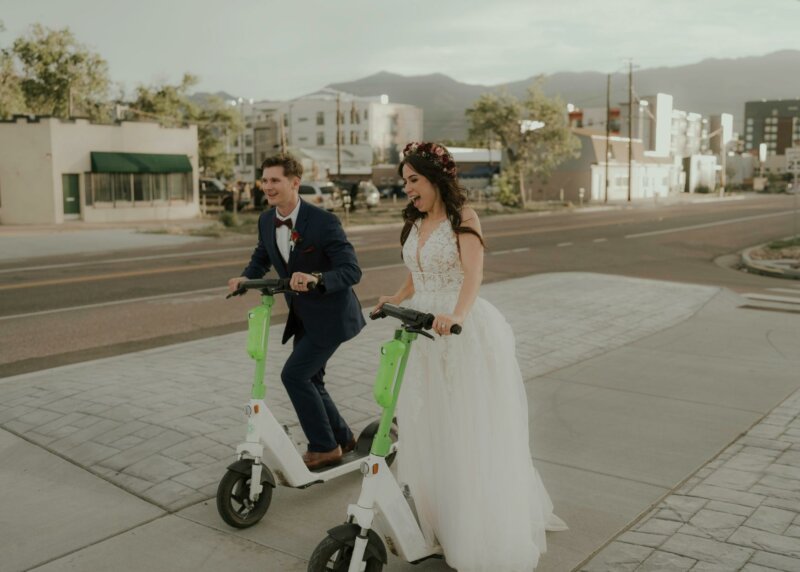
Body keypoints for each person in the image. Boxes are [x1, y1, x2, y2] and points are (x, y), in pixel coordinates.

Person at [374, 142, 566, 571]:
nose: (407, 189)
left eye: (414, 180)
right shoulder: (417, 222)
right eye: (404, 181)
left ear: (435, 179)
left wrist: (457, 315)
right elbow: (418, 271)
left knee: (464, 426)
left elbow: (472, 272)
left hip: (456, 330)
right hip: (420, 328)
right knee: (426, 425)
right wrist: (396, 296)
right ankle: (437, 520)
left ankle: (474, 526)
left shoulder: (465, 219)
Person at [229, 153, 366, 470]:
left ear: (294, 182)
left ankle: (324, 447)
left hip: (332, 316)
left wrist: (317, 279)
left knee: (295, 375)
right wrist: (246, 278)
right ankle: (343, 439)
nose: (268, 186)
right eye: (264, 180)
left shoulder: (324, 222)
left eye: (275, 180)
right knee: (311, 379)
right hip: (303, 317)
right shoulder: (266, 220)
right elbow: (262, 256)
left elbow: (351, 271)